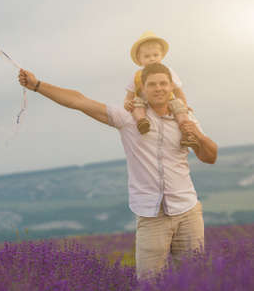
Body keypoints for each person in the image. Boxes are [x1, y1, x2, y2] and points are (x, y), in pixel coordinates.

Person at [18, 62, 217, 279]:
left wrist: (197, 135)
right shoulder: (127, 117)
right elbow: (79, 101)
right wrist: (37, 85)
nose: (158, 88)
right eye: (152, 84)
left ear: (171, 87)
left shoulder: (186, 120)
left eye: (163, 83)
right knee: (150, 284)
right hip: (151, 216)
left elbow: (210, 157)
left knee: (195, 281)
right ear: (142, 89)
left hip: (188, 212)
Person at [124, 31, 199, 152]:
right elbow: (129, 95)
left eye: (155, 55)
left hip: (167, 101)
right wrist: (127, 102)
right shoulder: (137, 75)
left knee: (181, 112)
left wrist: (184, 105)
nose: (152, 59)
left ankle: (187, 135)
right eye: (147, 56)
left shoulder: (167, 71)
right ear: (139, 59)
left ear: (161, 55)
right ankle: (142, 122)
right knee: (136, 104)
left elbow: (178, 91)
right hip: (144, 102)